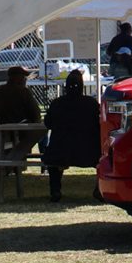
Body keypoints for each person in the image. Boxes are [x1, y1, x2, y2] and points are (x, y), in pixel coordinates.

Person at [41, 69, 100, 202]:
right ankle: (99, 189)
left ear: (65, 87)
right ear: (82, 87)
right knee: (103, 160)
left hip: (60, 151)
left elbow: (48, 123)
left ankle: (55, 190)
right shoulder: (91, 104)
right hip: (88, 151)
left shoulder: (57, 103)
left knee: (53, 163)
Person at [0, 64, 42, 160]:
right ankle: (42, 158)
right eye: (23, 77)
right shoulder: (24, 91)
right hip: (22, 128)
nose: (25, 79)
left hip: (3, 127)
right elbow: (35, 113)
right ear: (17, 77)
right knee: (43, 132)